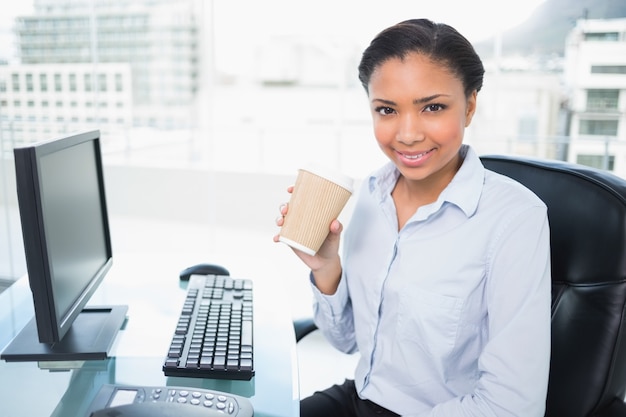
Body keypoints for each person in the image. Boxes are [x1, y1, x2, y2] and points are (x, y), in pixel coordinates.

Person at [274, 18, 551, 417]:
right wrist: (327, 267)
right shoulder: (371, 193)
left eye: (433, 107)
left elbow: (512, 406)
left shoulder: (515, 220)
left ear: (470, 105)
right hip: (360, 398)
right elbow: (346, 342)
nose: (406, 134)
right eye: (387, 110)